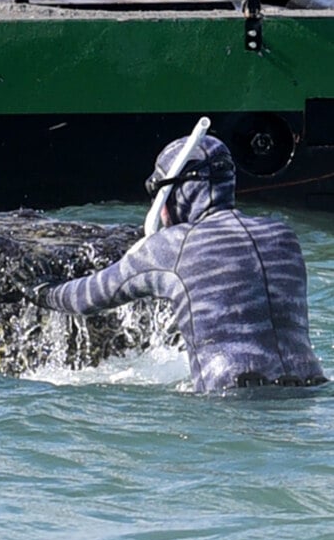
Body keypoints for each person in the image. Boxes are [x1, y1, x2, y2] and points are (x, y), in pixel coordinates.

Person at [33, 134, 327, 393]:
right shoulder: (283, 236)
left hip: (233, 399)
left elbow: (87, 298)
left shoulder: (173, 246)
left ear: (173, 194)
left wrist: (41, 291)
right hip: (309, 389)